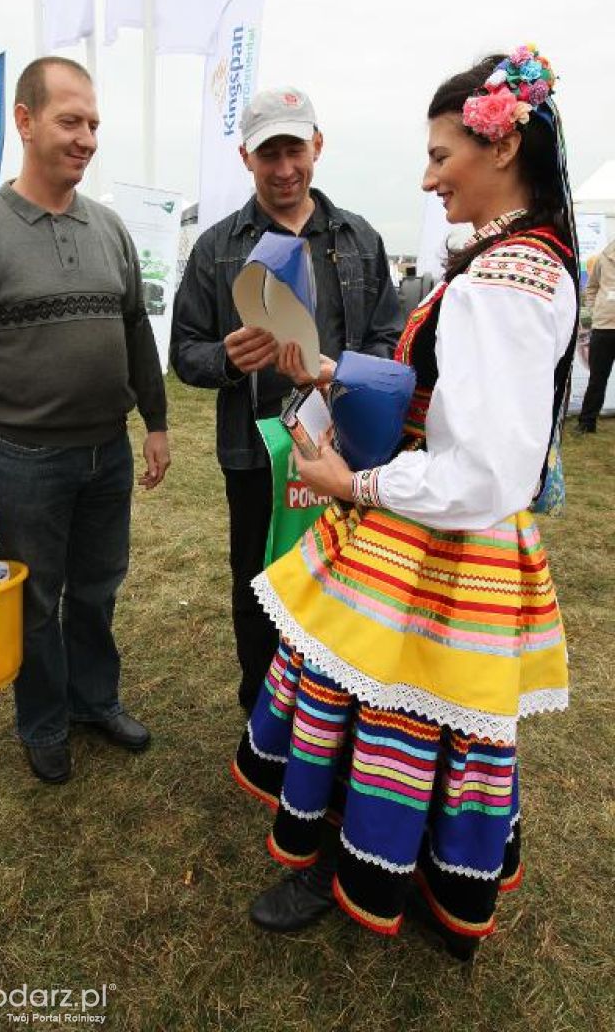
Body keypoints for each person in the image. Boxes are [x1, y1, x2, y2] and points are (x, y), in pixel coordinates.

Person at [231, 46, 579, 960]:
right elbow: (448, 397)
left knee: (372, 709)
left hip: (438, 538)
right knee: (427, 724)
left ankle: (348, 865)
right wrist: (332, 366)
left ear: (500, 149)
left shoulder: (503, 282)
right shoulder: (527, 257)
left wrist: (355, 484)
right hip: (462, 543)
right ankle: (415, 871)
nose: (427, 178)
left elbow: (482, 469)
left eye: (440, 155)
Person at [0, 56, 170, 785]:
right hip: (25, 458)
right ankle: (41, 722)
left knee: (98, 588)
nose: (87, 137)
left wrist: (155, 423)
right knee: (36, 598)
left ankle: (94, 699)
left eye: (94, 122)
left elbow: (135, 333)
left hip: (108, 451)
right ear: (25, 121)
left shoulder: (110, 230)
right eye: (71, 120)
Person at [170, 87, 401, 712]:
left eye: (294, 149)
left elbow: (389, 336)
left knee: (349, 575)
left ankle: (336, 713)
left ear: (317, 147)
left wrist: (342, 374)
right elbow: (183, 350)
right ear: (247, 157)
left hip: (348, 447)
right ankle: (263, 711)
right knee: (259, 582)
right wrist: (225, 358)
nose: (283, 168)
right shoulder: (218, 247)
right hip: (254, 451)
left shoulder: (359, 238)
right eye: (268, 152)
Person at [575, 235, 615, 432]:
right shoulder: (602, 258)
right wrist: (595, 308)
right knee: (597, 378)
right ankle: (586, 423)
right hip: (604, 327)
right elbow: (591, 288)